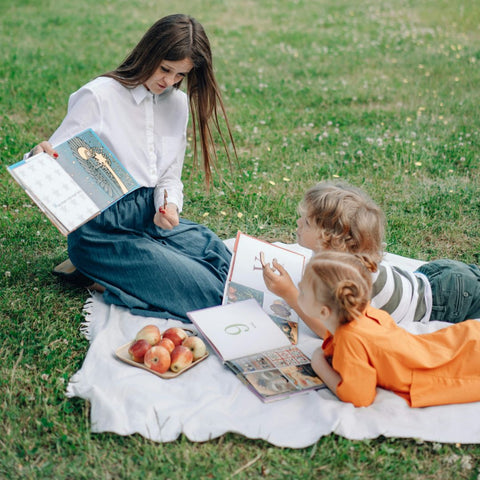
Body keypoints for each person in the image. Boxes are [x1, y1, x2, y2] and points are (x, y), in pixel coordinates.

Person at [27, 14, 236, 321]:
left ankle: (107, 276)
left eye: (180, 75)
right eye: (165, 69)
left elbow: (169, 175)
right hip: (103, 230)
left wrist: (170, 205)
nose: (169, 81)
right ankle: (96, 272)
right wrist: (38, 154)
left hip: (149, 219)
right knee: (207, 293)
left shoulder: (176, 104)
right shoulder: (100, 95)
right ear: (148, 52)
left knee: (226, 265)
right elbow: (54, 160)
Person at [262, 181, 480, 336]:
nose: (298, 222)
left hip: (448, 300)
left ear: (332, 240)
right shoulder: (332, 255)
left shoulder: (347, 279)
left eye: (307, 223)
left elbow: (330, 332)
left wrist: (289, 294)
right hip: (434, 277)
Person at [297, 250, 480, 408]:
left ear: (323, 311)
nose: (298, 288)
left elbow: (360, 396)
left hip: (462, 363)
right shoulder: (364, 312)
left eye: (302, 290)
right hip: (461, 340)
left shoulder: (349, 338)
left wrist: (318, 363)